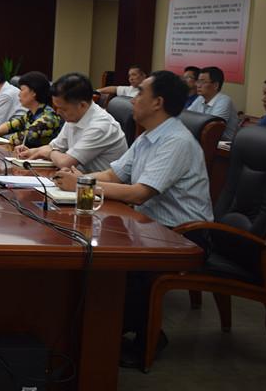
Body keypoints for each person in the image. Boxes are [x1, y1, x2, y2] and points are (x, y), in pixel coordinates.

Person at [52, 70, 213, 368]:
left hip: (182, 234)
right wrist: (76, 179)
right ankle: (95, 332)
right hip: (148, 225)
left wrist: (83, 185)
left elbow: (139, 193)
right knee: (89, 257)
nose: (133, 99)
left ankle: (134, 339)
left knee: (114, 269)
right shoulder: (148, 136)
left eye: (140, 93)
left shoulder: (175, 141)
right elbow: (114, 174)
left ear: (158, 102)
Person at [16, 72, 127, 172]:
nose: (58, 112)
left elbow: (66, 163)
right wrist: (32, 152)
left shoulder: (101, 126)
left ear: (82, 105)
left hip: (98, 186)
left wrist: (48, 153)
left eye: (63, 109)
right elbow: (54, 147)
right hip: (77, 179)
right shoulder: (74, 117)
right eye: (56, 107)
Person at [0, 70, 62, 147]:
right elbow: (11, 125)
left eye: (22, 90)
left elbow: (24, 137)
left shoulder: (48, 117)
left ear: (33, 93)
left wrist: (2, 136)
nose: (19, 94)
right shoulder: (31, 114)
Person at [186, 66, 239, 141]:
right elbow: (186, 116)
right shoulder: (200, 98)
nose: (198, 85)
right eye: (198, 81)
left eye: (203, 82)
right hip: (205, 139)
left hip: (225, 143)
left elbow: (212, 129)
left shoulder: (224, 101)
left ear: (215, 85)